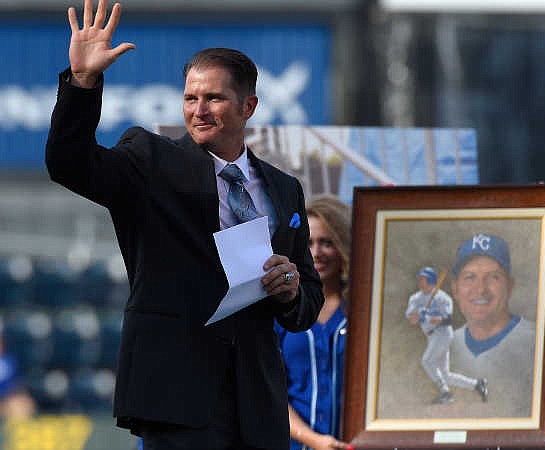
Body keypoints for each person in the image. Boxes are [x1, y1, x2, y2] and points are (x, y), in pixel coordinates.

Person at [45, 1, 324, 448]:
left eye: (214, 98)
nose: (199, 110)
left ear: (248, 105)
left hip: (257, 401)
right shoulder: (150, 159)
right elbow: (69, 164)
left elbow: (308, 297)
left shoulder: (284, 188)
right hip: (176, 393)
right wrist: (82, 82)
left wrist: (291, 287)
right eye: (191, 98)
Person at [275, 194, 350, 450]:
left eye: (327, 242)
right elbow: (271, 394)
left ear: (344, 247)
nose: (317, 253)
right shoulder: (280, 312)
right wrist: (314, 441)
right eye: (308, 243)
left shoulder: (363, 313)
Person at [449, 233, 536, 417]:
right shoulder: (446, 345)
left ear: (510, 286)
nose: (481, 289)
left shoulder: (535, 341)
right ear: (455, 288)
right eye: (470, 277)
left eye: (493, 277)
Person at [405, 266, 488, 404]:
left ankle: (445, 392)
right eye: (420, 278)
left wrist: (429, 317)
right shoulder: (415, 298)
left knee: (427, 361)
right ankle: (477, 384)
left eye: (423, 279)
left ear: (431, 280)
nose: (420, 281)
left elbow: (447, 320)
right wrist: (420, 314)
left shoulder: (443, 297)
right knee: (445, 375)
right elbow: (412, 320)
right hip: (431, 336)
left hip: (442, 333)